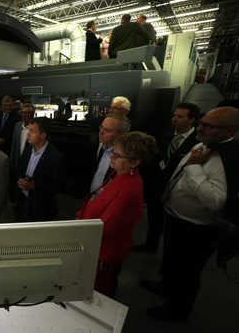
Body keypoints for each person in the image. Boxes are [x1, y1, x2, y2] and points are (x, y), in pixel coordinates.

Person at [143, 107, 239, 321]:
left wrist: (194, 168)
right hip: (176, 217)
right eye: (202, 122)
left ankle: (177, 309)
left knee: (187, 272)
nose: (201, 127)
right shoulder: (201, 146)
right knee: (170, 260)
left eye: (208, 125)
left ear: (229, 131)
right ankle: (165, 286)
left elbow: (216, 201)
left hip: (196, 228)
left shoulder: (226, 160)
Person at [77, 131, 158, 297]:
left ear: (135, 162)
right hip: (94, 242)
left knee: (97, 292)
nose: (111, 157)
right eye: (113, 152)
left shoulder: (128, 188)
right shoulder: (119, 173)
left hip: (103, 252)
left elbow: (105, 228)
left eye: (117, 155)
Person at [134, 103, 200, 253]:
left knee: (173, 229)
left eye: (180, 116)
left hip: (178, 189)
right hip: (158, 186)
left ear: (192, 120)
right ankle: (150, 245)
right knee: (154, 219)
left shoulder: (197, 142)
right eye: (174, 115)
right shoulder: (167, 135)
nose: (174, 119)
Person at [16, 117, 65, 222]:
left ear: (43, 135)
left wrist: (34, 185)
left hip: (41, 207)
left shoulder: (56, 157)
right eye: (28, 130)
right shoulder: (27, 150)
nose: (28, 134)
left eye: (32, 131)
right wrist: (20, 179)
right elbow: (19, 169)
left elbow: (58, 185)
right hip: (23, 201)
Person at [89, 114, 131, 195]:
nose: (101, 132)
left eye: (107, 130)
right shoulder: (102, 146)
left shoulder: (125, 158)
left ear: (121, 134)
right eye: (101, 127)